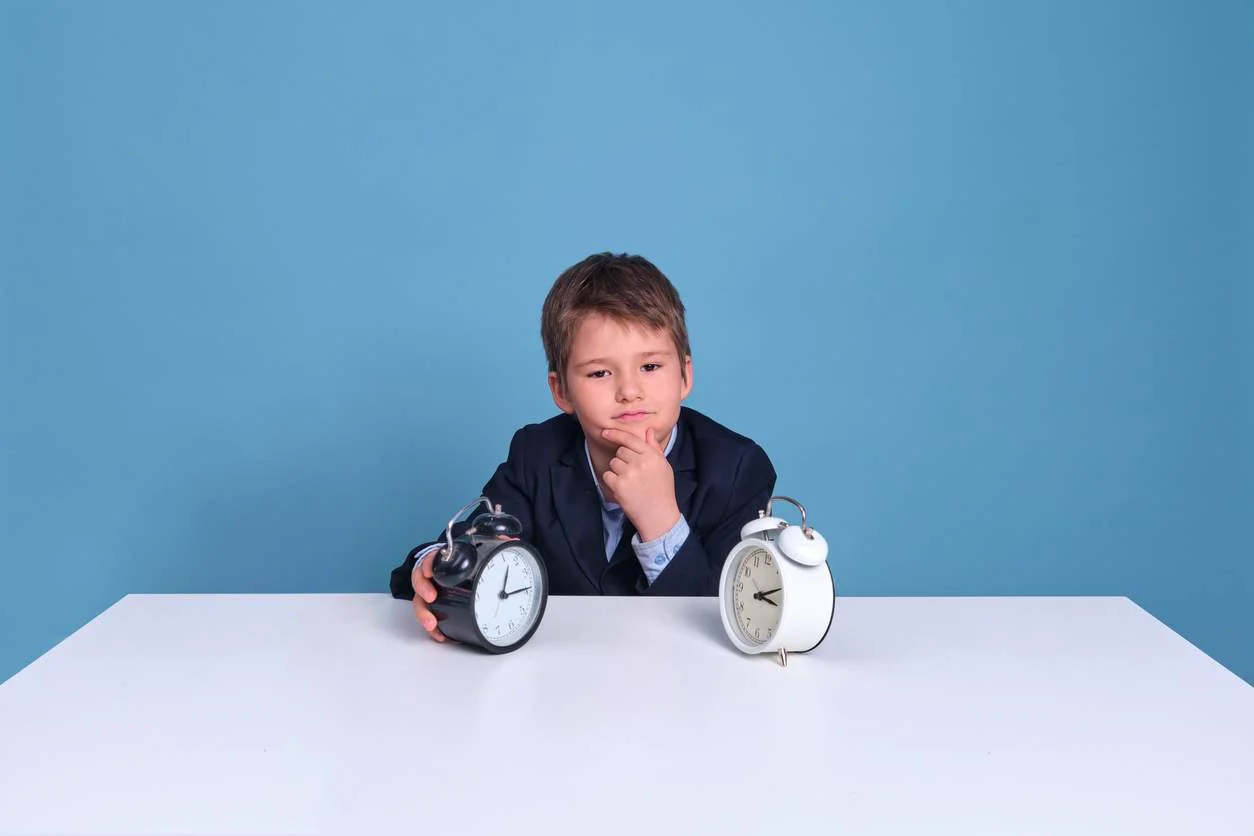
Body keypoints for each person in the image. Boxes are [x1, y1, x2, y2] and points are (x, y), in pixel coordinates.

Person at [389, 252, 777, 642]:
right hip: (558, 675)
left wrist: (661, 520)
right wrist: (435, 569)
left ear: (685, 376)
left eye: (650, 367)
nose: (629, 391)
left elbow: (731, 619)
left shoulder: (737, 470)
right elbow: (457, 546)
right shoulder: (536, 455)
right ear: (562, 391)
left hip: (680, 685)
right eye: (599, 373)